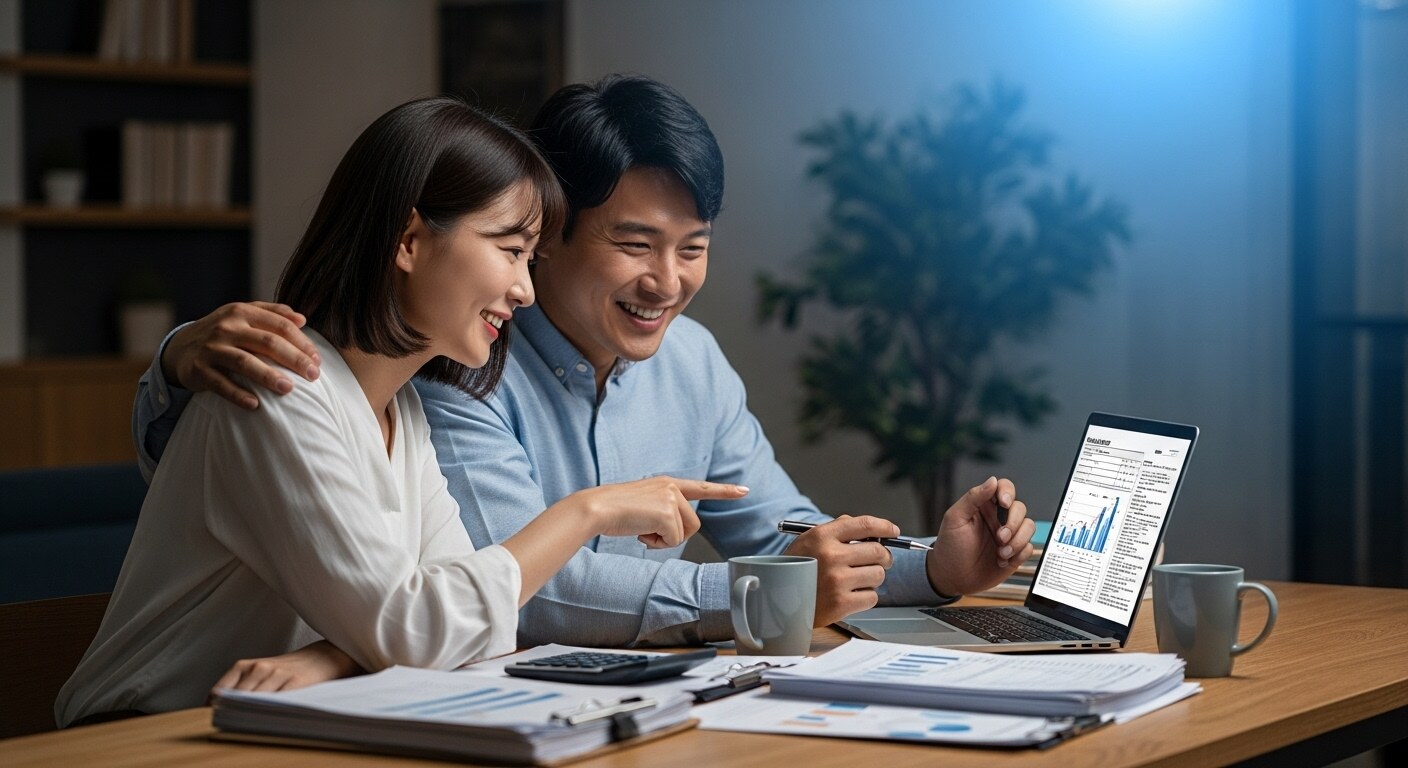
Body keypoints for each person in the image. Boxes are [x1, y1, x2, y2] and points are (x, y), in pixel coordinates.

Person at [133, 75, 1035, 658]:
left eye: (693, 248)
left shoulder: (689, 362)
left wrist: (935, 568)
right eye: (635, 244)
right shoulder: (451, 371)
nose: (668, 282)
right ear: (550, 234)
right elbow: (529, 594)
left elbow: (777, 534)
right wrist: (756, 589)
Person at [56, 96, 739, 726]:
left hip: (265, 729)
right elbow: (418, 626)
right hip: (139, 735)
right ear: (409, 241)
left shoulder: (401, 412)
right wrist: (587, 511)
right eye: (509, 251)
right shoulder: (279, 391)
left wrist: (336, 655)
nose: (524, 290)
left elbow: (465, 626)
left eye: (529, 259)